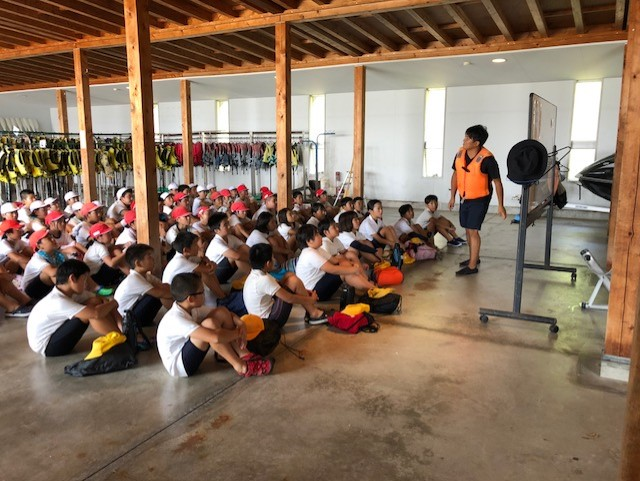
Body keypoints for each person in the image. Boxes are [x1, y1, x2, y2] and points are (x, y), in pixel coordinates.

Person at [156, 272, 274, 378]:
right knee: (209, 325)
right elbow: (215, 337)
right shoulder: (176, 319)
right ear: (191, 299)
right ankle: (242, 367)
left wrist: (240, 322)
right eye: (202, 292)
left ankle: (245, 355)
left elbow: (226, 313)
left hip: (188, 347)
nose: (205, 295)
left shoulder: (190, 307)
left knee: (221, 311)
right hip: (181, 366)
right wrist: (239, 333)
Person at [26, 259, 121, 357]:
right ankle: (120, 337)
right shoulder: (58, 301)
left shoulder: (71, 292)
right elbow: (96, 314)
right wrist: (114, 302)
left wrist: (118, 318)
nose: (86, 285)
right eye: (84, 280)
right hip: (47, 347)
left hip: (56, 333)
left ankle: (119, 332)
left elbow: (101, 300)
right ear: (73, 279)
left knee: (95, 302)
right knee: (91, 312)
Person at [448, 124, 507, 276]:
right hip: (464, 197)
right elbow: (455, 175)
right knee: (467, 229)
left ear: (476, 143)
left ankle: (472, 266)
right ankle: (474, 258)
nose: (464, 140)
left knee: (473, 231)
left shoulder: (488, 159)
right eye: (465, 136)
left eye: (468, 138)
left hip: (480, 198)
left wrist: (501, 205)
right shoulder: (460, 153)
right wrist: (452, 196)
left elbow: (497, 182)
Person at [243, 243, 326, 326]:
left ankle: (312, 311)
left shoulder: (255, 274)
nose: (274, 260)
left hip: (263, 317)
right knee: (294, 281)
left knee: (290, 277)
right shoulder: (263, 279)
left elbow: (279, 285)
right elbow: (290, 298)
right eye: (272, 258)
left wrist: (304, 291)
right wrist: (311, 299)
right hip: (268, 323)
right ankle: (314, 313)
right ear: (268, 263)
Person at [295, 224, 373, 306]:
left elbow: (335, 260)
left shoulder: (318, 249)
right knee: (344, 272)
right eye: (317, 234)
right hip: (314, 293)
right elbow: (332, 269)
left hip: (320, 284)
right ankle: (372, 288)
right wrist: (353, 269)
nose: (320, 236)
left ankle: (368, 286)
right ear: (309, 241)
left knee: (343, 261)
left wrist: (352, 264)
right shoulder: (309, 253)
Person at [114, 244, 173, 326]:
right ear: (138, 263)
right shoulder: (134, 279)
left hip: (135, 311)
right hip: (127, 320)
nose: (153, 259)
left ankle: (180, 312)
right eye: (149, 257)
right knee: (158, 294)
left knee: (162, 289)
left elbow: (164, 286)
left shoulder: (145, 276)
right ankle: (180, 314)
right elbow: (161, 293)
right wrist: (182, 296)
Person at [205, 212, 250, 284]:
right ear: (217, 230)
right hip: (216, 274)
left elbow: (245, 247)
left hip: (227, 269)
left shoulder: (230, 237)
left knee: (241, 249)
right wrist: (252, 259)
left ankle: (257, 269)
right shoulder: (216, 243)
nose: (229, 226)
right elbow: (236, 256)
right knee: (235, 256)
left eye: (228, 223)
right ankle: (254, 275)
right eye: (225, 225)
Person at [21, 230, 64, 301]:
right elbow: (52, 272)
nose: (53, 239)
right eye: (49, 239)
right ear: (39, 246)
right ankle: (64, 296)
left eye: (52, 237)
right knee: (50, 274)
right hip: (31, 290)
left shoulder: (55, 253)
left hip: (46, 286)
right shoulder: (37, 258)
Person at [84, 223, 128, 287]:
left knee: (114, 250)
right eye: (108, 233)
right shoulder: (100, 247)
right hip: (96, 278)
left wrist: (124, 245)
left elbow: (112, 247)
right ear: (99, 237)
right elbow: (111, 264)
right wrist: (124, 253)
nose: (111, 235)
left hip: (96, 274)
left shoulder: (97, 245)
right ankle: (130, 275)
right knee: (116, 256)